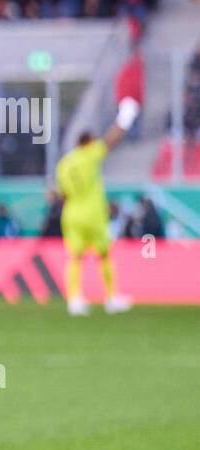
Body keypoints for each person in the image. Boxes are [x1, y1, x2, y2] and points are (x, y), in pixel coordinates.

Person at [55, 97, 140, 316]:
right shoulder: (89, 155)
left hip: (71, 213)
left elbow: (62, 194)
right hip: (92, 213)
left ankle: (74, 299)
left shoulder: (64, 163)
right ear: (88, 142)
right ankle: (111, 297)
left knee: (75, 257)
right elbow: (111, 140)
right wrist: (125, 118)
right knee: (103, 255)